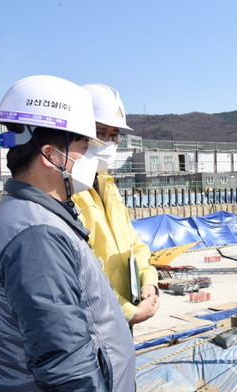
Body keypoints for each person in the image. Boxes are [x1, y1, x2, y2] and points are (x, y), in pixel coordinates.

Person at [0, 75, 135, 391]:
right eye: (85, 147)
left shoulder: (34, 216)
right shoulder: (36, 236)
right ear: (52, 156)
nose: (91, 159)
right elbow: (64, 363)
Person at [72, 83, 159, 326]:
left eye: (115, 135)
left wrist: (148, 279)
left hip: (120, 320)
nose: (110, 142)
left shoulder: (107, 184)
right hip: (94, 323)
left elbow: (133, 243)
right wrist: (125, 311)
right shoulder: (66, 192)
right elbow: (81, 273)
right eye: (101, 133)